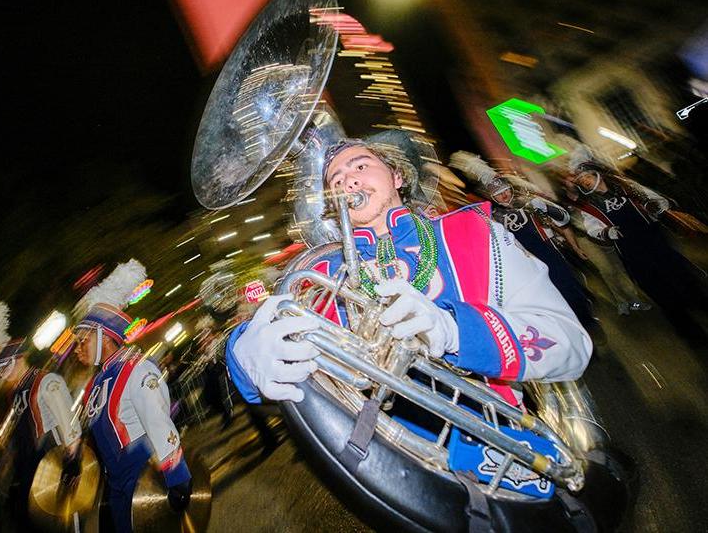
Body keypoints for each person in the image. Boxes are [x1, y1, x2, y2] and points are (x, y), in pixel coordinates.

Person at [226, 133, 592, 409]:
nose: (348, 181)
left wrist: (452, 331)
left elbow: (570, 344)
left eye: (360, 165)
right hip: (389, 467)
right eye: (335, 181)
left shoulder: (473, 231)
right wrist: (243, 355)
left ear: (397, 176)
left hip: (499, 443)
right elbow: (272, 331)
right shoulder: (321, 272)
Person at [73, 260, 191, 533]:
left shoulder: (136, 369)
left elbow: (158, 423)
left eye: (84, 339)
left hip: (146, 481)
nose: (78, 349)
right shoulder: (95, 384)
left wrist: (177, 476)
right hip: (117, 488)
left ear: (104, 336)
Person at [568, 150, 708, 342]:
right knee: (658, 289)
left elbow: (655, 199)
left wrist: (659, 207)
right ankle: (691, 332)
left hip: (655, 238)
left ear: (596, 174)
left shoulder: (626, 186)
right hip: (631, 251)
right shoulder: (589, 206)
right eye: (581, 180)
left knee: (681, 274)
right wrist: (608, 233)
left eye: (587, 176)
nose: (584, 181)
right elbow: (592, 229)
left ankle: (700, 302)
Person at [451, 152, 599, 332]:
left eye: (505, 190)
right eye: (497, 194)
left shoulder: (528, 201)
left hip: (550, 254)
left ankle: (588, 323)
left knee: (569, 288)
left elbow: (564, 218)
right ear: (491, 197)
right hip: (526, 265)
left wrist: (547, 209)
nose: (504, 195)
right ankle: (570, 329)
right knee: (550, 300)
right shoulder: (492, 216)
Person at [0, 300, 82, 529]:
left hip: (54, 466)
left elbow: (70, 426)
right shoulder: (16, 394)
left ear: (17, 358)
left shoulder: (47, 381)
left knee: (65, 526)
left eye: (2, 369)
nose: (0, 377)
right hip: (29, 472)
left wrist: (72, 461)